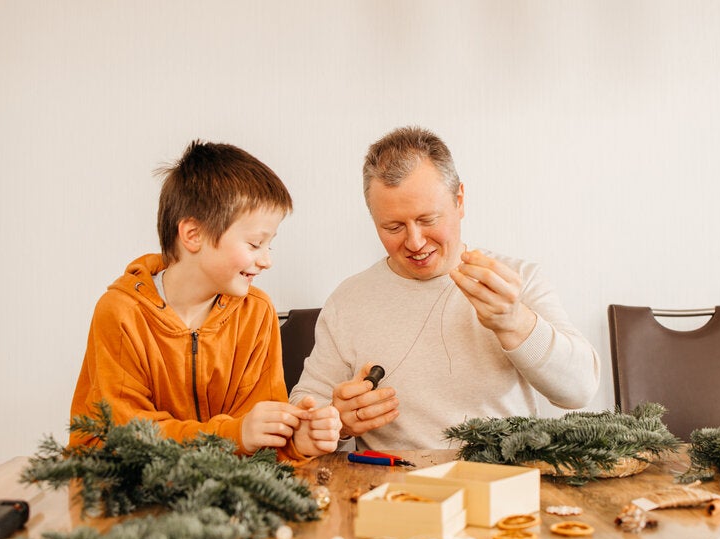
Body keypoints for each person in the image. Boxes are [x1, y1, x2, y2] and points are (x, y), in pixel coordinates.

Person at [290, 126, 600, 450]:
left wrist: (514, 322)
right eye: (393, 226)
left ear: (459, 200)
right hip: (393, 490)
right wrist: (338, 422)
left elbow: (579, 391)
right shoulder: (349, 300)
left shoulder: (517, 280)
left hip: (502, 482)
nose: (415, 242)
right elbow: (304, 412)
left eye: (428, 220)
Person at [71, 141, 340, 461]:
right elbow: (123, 438)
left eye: (270, 245)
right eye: (255, 244)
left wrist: (296, 441)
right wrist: (233, 434)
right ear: (193, 235)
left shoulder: (256, 312)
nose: (267, 260)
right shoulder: (121, 313)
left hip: (226, 498)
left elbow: (262, 438)